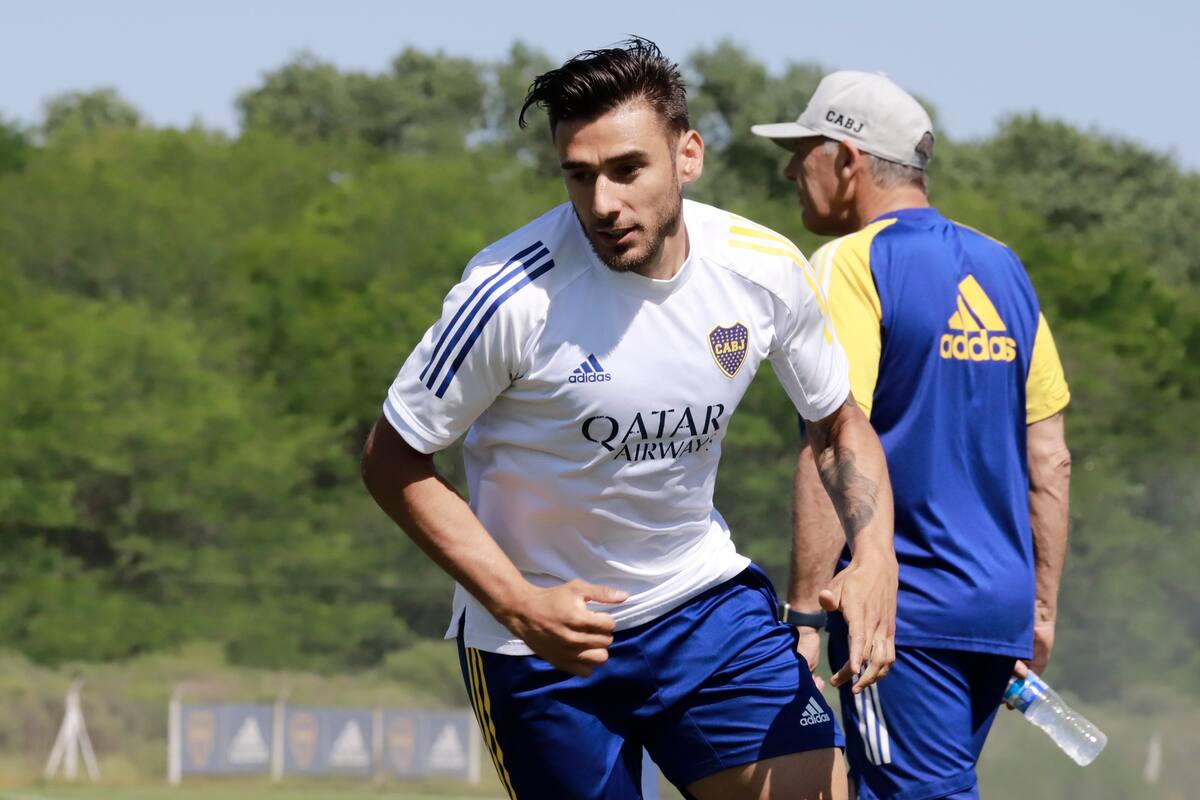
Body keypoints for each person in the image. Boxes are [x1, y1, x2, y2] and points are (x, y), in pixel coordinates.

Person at [361, 39, 899, 800]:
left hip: (703, 607)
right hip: (541, 643)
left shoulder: (763, 268)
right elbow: (391, 459)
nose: (603, 203)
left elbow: (838, 426)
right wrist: (519, 604)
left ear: (688, 156)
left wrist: (874, 556)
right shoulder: (508, 294)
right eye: (579, 175)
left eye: (626, 169)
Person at [752, 71, 1073, 799]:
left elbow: (834, 439)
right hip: (998, 610)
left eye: (801, 152)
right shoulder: (1005, 268)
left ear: (846, 158)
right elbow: (1050, 459)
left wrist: (803, 616)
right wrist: (1040, 612)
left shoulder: (849, 262)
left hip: (901, 613)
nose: (790, 172)